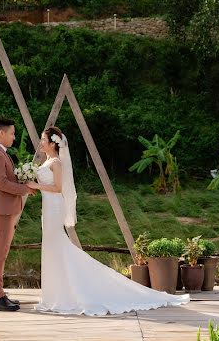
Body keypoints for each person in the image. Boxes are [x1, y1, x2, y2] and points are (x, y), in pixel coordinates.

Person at [25, 125, 190, 315]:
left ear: (53, 144)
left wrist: (34, 185)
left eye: (43, 140)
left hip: (55, 207)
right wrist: (30, 184)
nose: (41, 143)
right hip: (47, 208)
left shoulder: (56, 163)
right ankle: (55, 293)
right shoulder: (46, 162)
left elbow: (58, 187)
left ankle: (66, 294)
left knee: (58, 246)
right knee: (53, 248)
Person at [0, 116, 36, 312]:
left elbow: (8, 179)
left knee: (2, 252)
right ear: (2, 133)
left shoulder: (1, 152)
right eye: (12, 133)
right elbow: (2, 184)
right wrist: (25, 189)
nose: (14, 137)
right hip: (3, 210)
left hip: (7, 209)